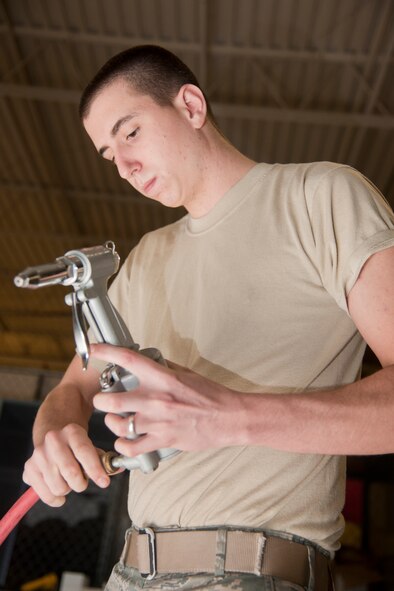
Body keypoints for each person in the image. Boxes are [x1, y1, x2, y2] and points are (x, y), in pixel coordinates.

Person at [23, 45, 394, 591]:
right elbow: (73, 387)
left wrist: (229, 416)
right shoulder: (145, 257)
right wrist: (56, 431)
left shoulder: (321, 197)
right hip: (129, 574)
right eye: (108, 154)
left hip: (252, 571)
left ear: (191, 106)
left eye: (130, 133)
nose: (124, 167)